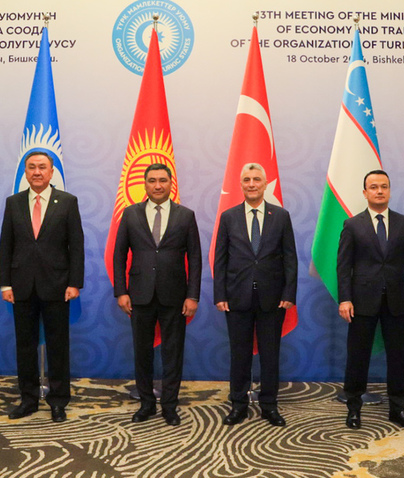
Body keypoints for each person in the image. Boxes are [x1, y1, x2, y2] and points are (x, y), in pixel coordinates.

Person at [0, 151, 84, 422]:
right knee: (25, 346)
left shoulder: (67, 202)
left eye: (42, 167)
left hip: (57, 286)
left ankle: (58, 401)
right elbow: (6, 245)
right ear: (25, 172)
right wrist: (4, 284)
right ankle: (28, 399)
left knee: (58, 346)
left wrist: (74, 283)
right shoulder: (13, 203)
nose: (37, 172)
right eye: (32, 167)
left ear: (51, 172)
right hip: (21, 286)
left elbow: (76, 246)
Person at [113, 163, 202, 426]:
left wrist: (193, 295)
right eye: (152, 180)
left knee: (173, 354)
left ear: (171, 183)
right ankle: (146, 404)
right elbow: (119, 255)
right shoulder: (130, 214)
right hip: (139, 295)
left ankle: (170, 406)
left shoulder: (186, 215)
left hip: (175, 296)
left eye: (163, 180)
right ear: (145, 184)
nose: (158, 185)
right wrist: (121, 291)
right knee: (142, 353)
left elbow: (195, 258)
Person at [337, 170, 404, 430]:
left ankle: (398, 408)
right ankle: (354, 408)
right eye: (373, 187)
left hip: (397, 301)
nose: (379, 191)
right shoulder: (352, 225)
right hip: (362, 301)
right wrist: (345, 299)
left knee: (397, 357)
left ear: (390, 190)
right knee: (357, 356)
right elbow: (344, 266)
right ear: (365, 192)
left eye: (384, 186)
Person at [213, 163, 297, 427]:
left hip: (273, 298)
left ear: (265, 184)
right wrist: (220, 294)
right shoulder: (229, 217)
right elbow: (220, 260)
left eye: (256, 179)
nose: (251, 184)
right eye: (247, 179)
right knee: (240, 354)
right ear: (241, 184)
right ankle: (238, 404)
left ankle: (269, 405)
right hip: (237, 297)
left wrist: (289, 293)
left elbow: (290, 258)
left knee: (270, 355)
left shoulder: (281, 216)